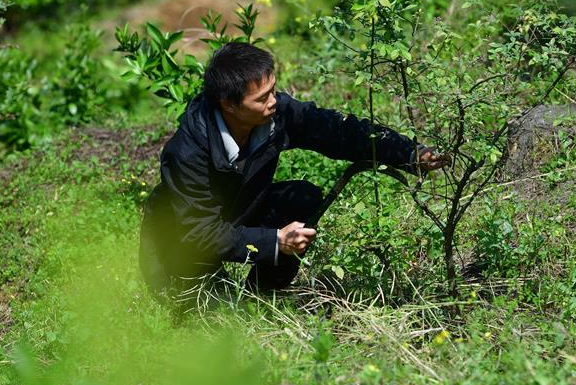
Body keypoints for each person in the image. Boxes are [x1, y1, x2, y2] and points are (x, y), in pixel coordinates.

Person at [139, 42, 450, 295]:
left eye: (274, 90)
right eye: (262, 98)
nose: (274, 101)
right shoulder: (187, 152)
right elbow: (200, 232)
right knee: (185, 307)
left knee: (301, 198)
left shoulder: (274, 114)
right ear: (228, 104)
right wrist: (275, 242)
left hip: (235, 214)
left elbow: (337, 131)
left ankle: (261, 297)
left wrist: (410, 153)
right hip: (180, 246)